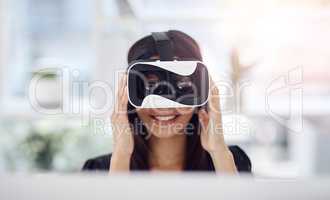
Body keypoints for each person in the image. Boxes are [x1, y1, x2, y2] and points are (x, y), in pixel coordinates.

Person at [82, 30, 251, 173]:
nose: (164, 104)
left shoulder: (231, 163)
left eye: (182, 85)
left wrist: (219, 151)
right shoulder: (99, 170)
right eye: (150, 86)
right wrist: (121, 155)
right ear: (128, 92)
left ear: (200, 90)